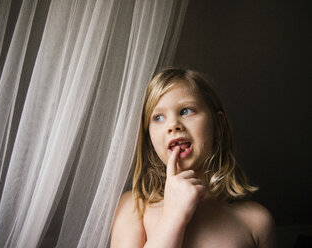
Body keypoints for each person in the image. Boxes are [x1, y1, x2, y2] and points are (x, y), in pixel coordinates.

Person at [111, 68, 276, 247]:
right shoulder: (134, 207)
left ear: (218, 124)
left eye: (186, 111)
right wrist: (173, 217)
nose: (173, 125)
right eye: (158, 117)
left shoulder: (256, 222)